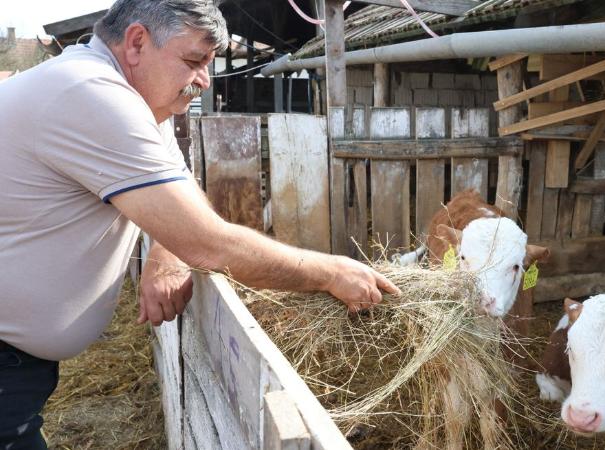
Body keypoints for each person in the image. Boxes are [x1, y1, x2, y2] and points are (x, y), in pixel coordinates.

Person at [0, 0, 400, 447]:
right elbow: (210, 243)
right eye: (193, 61)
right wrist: (332, 272)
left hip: (20, 362)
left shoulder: (135, 103)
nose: (204, 80)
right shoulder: (89, 94)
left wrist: (165, 252)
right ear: (136, 42)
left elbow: (181, 198)